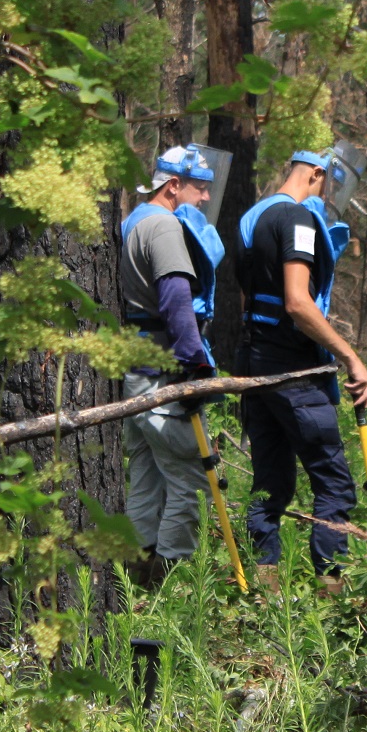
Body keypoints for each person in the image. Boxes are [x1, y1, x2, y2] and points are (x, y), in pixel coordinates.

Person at [234, 147, 367, 593]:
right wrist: (349, 356)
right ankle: (332, 596)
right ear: (316, 173)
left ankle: (264, 595)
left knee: (270, 487)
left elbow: (251, 299)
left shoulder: (253, 218)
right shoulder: (296, 219)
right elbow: (297, 302)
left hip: (254, 367)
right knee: (334, 485)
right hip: (292, 371)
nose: (329, 193)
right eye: (329, 182)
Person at [118, 144, 223, 584]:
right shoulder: (163, 226)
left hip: (134, 371)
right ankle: (174, 579)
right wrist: (194, 363)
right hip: (161, 374)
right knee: (192, 479)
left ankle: (133, 579)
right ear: (173, 185)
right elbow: (176, 297)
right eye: (199, 188)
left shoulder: (133, 221)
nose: (205, 197)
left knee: (147, 477)